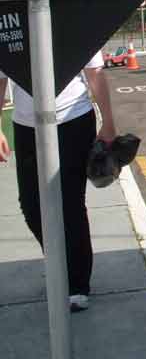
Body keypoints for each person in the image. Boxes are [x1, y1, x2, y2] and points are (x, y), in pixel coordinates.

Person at [0, 50, 117, 313]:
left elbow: (95, 72)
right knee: (31, 205)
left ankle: (77, 283)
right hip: (26, 125)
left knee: (70, 204)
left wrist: (108, 122)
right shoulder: (9, 28)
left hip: (72, 120)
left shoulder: (73, 25)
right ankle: (59, 263)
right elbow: (1, 78)